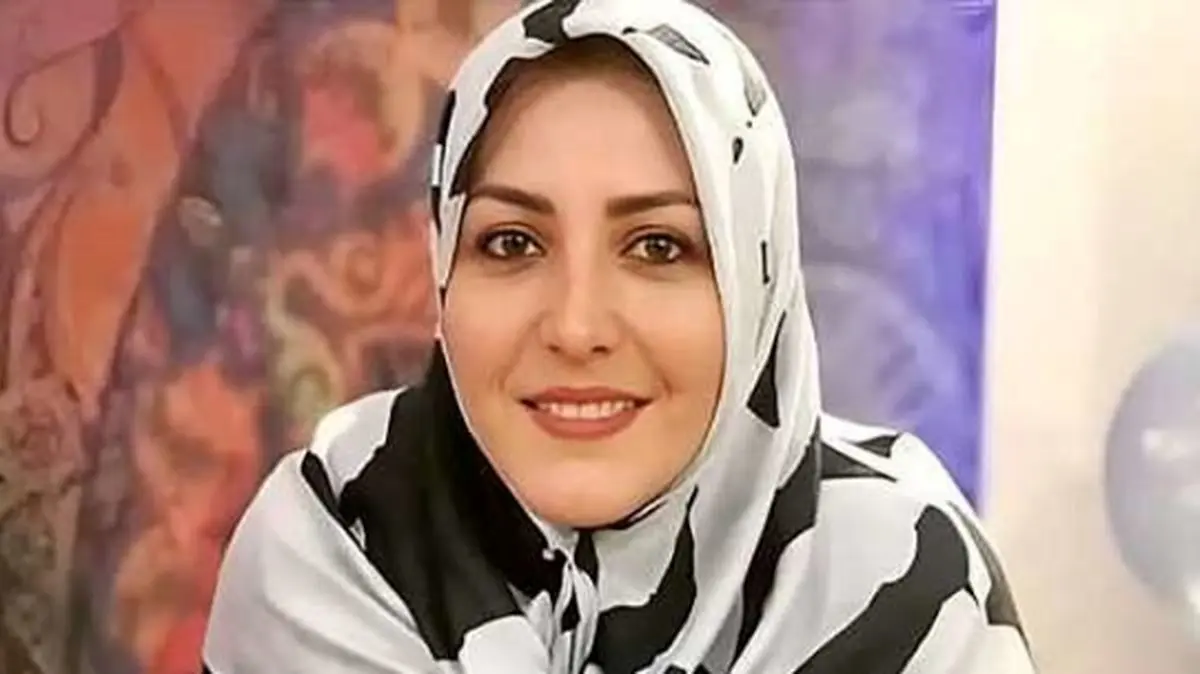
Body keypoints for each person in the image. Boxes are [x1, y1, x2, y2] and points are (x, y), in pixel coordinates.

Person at [202, 1, 1037, 672]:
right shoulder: (334, 545)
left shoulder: (907, 581)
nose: (576, 327)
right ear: (445, 267)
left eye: (658, 247)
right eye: (512, 243)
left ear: (757, 284)